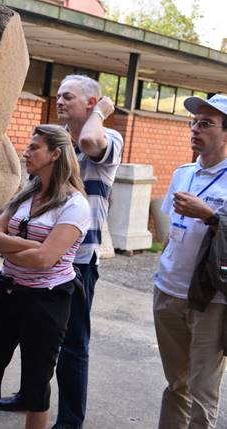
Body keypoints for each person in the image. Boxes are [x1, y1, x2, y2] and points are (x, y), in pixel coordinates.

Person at [0, 74, 123, 429]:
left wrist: (104, 113)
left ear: (92, 104)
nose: (61, 101)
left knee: (72, 344)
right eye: (59, 96)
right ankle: (29, 394)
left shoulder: (107, 137)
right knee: (32, 335)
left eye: (69, 97)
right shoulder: (58, 143)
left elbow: (90, 138)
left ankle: (69, 420)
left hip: (76, 264)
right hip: (34, 256)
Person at [0, 124, 90, 429]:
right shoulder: (26, 192)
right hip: (8, 293)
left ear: (55, 154)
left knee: (36, 385)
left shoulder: (76, 205)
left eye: (35, 147)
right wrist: (32, 245)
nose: (26, 152)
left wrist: (25, 249)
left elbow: (46, 259)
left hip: (46, 303)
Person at [153, 93, 227, 429]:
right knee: (176, 384)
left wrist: (211, 215)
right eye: (194, 122)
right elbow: (171, 231)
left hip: (210, 299)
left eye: (206, 124)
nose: (195, 129)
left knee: (202, 391)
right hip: (167, 290)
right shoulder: (182, 172)